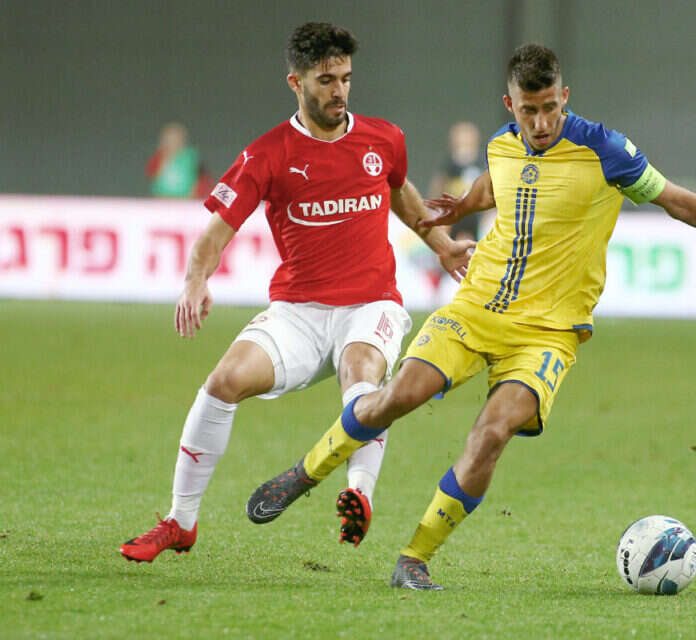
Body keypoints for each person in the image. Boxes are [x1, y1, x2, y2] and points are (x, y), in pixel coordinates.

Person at [247, 44, 696, 589]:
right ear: (509, 105)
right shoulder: (502, 144)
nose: (540, 123)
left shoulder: (606, 151)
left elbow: (677, 200)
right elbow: (494, 184)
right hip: (477, 307)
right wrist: (462, 206)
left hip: (548, 333)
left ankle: (414, 559)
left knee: (493, 433)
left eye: (549, 108)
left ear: (564, 97)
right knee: (398, 396)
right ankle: (305, 472)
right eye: (528, 111)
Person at [119, 22, 474, 563]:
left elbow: (400, 191)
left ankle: (359, 494)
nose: (339, 91)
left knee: (362, 370)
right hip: (298, 313)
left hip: (371, 304)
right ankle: (179, 522)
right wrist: (195, 280)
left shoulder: (383, 139)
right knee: (223, 382)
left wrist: (442, 245)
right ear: (296, 82)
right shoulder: (268, 154)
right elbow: (216, 232)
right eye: (326, 80)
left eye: (346, 78)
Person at [146, 122, 213, 198]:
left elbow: (202, 180)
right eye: (169, 139)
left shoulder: (191, 158)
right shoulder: (159, 157)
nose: (172, 142)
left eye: (175, 139)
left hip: (186, 200)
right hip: (162, 200)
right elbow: (153, 175)